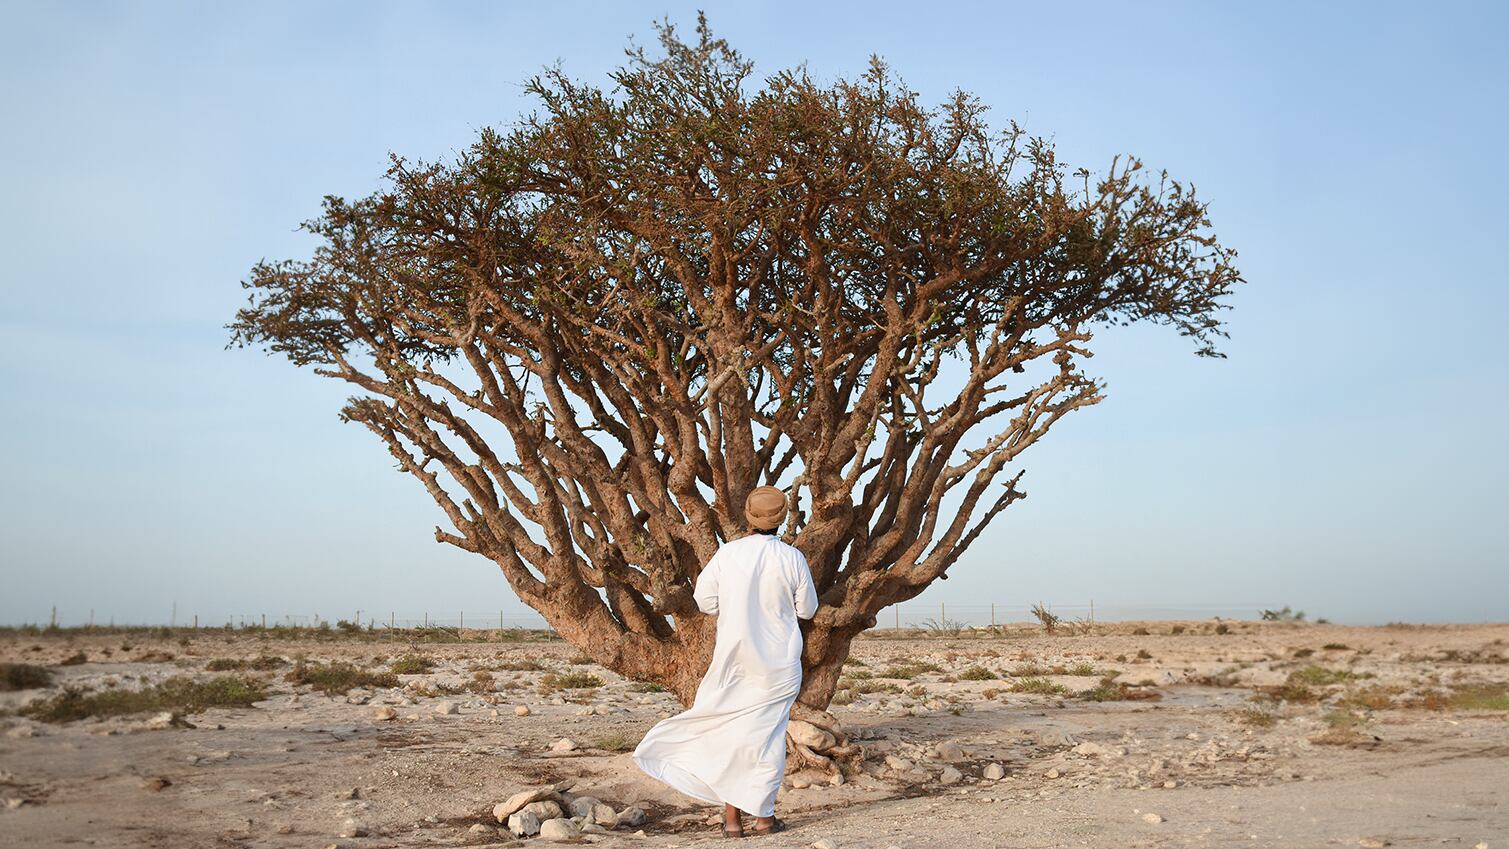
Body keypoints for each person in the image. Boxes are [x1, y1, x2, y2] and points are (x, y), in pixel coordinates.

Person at [631, 485, 819, 838]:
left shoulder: (727, 555)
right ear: (782, 518)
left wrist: (733, 607)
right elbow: (808, 609)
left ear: (748, 517)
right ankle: (764, 818)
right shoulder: (792, 558)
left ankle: (732, 822)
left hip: (733, 662)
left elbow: (704, 601)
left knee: (731, 735)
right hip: (777, 666)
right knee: (768, 739)